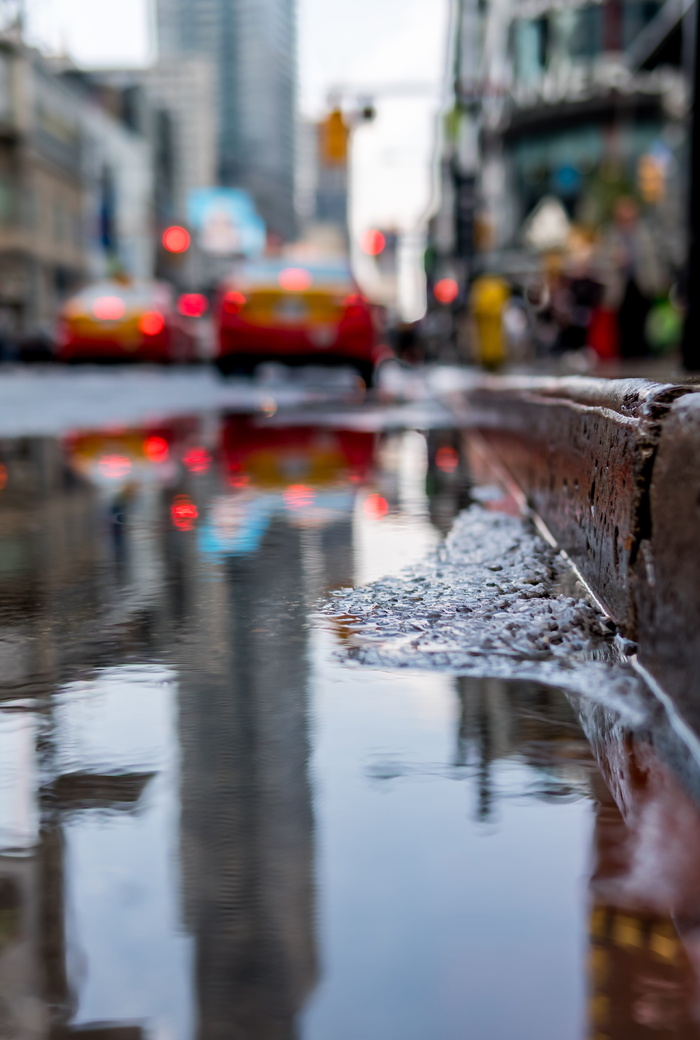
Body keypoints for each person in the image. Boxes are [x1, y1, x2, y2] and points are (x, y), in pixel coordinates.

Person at [600, 196, 667, 359]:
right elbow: (602, 256)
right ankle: (626, 354)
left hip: (642, 282)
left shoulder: (644, 231)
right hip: (621, 284)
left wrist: (659, 280)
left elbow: (655, 257)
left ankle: (643, 351)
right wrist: (615, 257)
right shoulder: (611, 233)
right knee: (624, 322)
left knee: (642, 318)